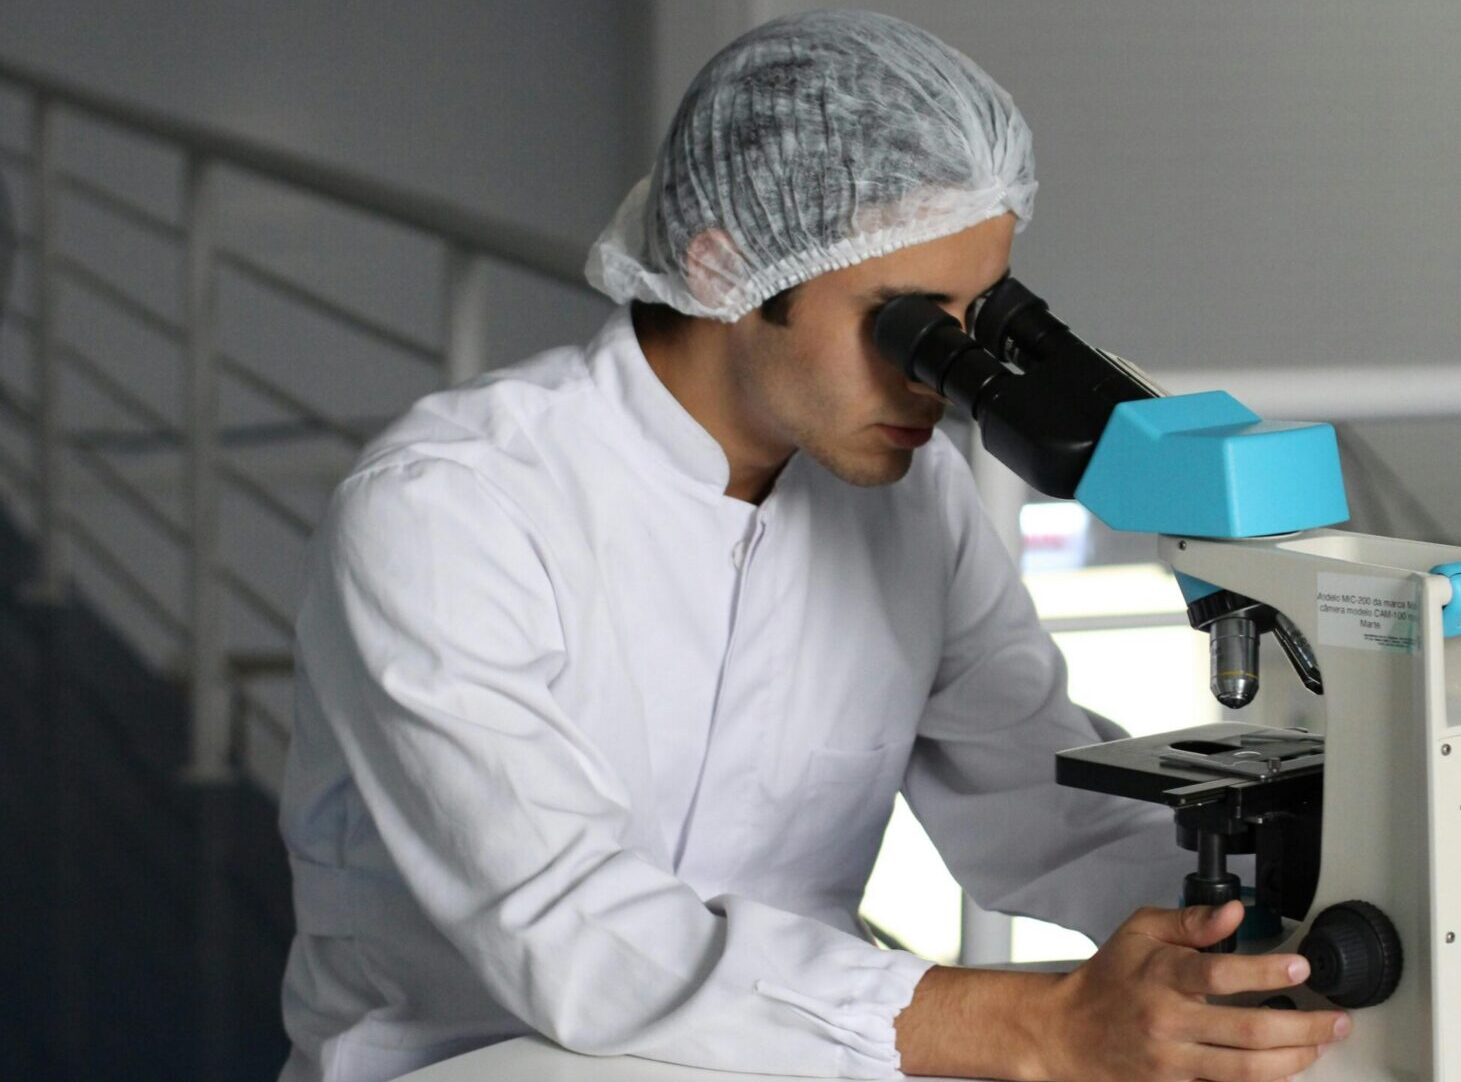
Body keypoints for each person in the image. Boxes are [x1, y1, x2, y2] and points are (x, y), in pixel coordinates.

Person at [278, 10, 1349, 1082]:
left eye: (976, 321)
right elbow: (569, 930)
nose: (940, 379)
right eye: (907, 323)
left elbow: (1045, 808)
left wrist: (1283, 913)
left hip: (799, 1056)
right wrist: (1043, 1025)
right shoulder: (451, 509)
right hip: (480, 1062)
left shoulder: (912, 502)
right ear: (726, 269)